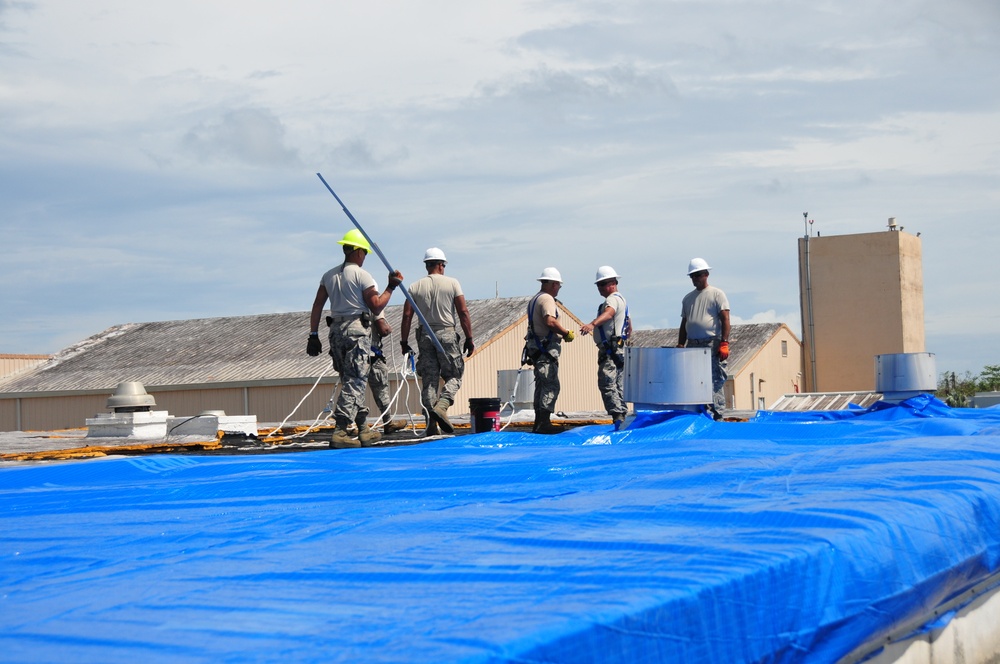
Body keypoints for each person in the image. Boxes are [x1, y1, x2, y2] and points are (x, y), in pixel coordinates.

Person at [307, 229, 403, 448]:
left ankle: (363, 430)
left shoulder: (329, 275)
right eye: (365, 253)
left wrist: (313, 334)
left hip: (336, 333)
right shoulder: (362, 275)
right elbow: (376, 304)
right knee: (356, 381)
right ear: (358, 252)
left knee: (350, 380)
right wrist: (391, 287)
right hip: (356, 332)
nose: (365, 257)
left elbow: (317, 305)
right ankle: (340, 431)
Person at [399, 247, 474, 437]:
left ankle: (431, 423)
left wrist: (404, 341)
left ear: (427, 265)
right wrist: (469, 337)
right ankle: (442, 405)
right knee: (454, 375)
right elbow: (463, 312)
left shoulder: (415, 287)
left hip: (425, 335)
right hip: (447, 334)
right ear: (442, 265)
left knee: (430, 381)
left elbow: (407, 315)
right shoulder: (452, 283)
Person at [522, 267, 575, 434]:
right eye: (558, 285)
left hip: (537, 349)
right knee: (551, 385)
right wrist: (566, 333)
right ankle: (544, 422)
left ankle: (539, 422)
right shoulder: (547, 300)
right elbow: (550, 321)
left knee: (541, 384)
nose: (559, 288)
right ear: (553, 284)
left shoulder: (535, 299)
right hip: (545, 349)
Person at [677, 257, 731, 415]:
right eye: (693, 276)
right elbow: (684, 323)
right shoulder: (688, 299)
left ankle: (717, 413)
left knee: (714, 380)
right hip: (693, 344)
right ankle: (700, 412)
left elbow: (725, 319)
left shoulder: (717, 294)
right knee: (695, 380)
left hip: (711, 343)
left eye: (698, 274)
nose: (696, 278)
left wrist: (724, 343)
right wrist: (681, 343)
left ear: (706, 274)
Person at [580, 266, 631, 428]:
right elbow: (627, 322)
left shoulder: (612, 300)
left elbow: (609, 312)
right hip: (617, 348)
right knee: (617, 383)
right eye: (599, 285)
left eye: (603, 285)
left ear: (613, 283)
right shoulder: (621, 299)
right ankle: (621, 413)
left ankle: (618, 415)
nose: (600, 289)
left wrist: (592, 324)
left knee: (607, 382)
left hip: (610, 349)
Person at [368, 313, 407, 434]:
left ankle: (351, 425)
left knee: (352, 389)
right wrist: (388, 328)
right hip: (371, 355)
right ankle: (388, 422)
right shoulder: (373, 304)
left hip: (350, 354)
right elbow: (383, 329)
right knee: (381, 389)